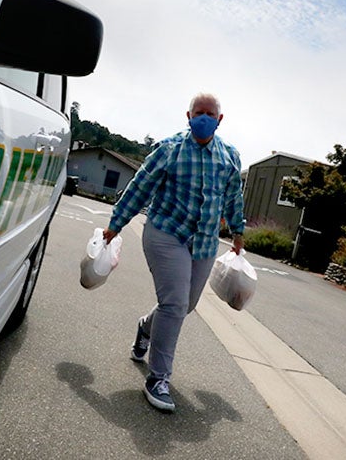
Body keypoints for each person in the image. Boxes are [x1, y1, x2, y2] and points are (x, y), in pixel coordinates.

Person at [103, 93, 245, 412]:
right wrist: (117, 223)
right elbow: (140, 187)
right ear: (188, 115)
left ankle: (145, 328)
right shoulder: (170, 149)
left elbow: (234, 197)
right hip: (167, 232)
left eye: (210, 113)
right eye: (199, 112)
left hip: (205, 242)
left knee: (186, 305)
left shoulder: (230, 156)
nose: (204, 117)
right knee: (175, 302)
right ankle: (158, 378)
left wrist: (238, 232)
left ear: (220, 120)